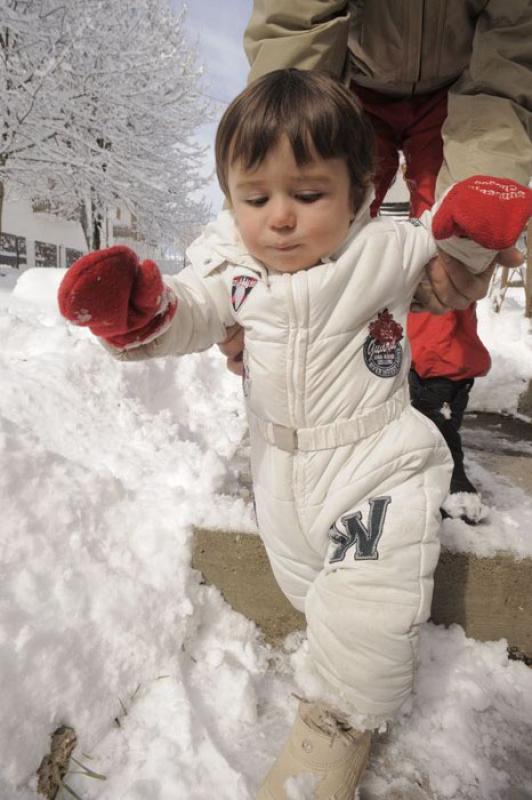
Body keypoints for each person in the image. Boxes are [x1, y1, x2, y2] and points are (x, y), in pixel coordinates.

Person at [57, 71, 531, 799]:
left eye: (308, 195)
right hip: (282, 476)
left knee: (372, 602)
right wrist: (140, 309)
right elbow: (193, 309)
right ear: (231, 200)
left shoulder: (380, 251)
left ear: (359, 193)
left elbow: (441, 265)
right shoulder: (238, 274)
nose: (279, 218)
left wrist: (470, 230)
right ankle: (337, 649)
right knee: (316, 592)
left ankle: (334, 732)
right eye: (255, 198)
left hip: (375, 463)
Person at [217, 0, 532, 526]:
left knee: (451, 239)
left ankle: (436, 410)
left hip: (468, 86)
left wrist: (472, 225)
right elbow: (296, 27)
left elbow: (513, 53)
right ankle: (323, 400)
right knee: (315, 217)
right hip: (346, 79)